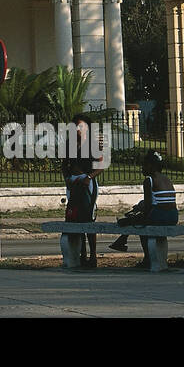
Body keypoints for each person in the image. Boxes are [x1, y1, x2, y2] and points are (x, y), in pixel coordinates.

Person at [109, 150, 178, 266]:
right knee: (137, 220)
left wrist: (137, 213)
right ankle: (122, 240)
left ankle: (147, 258)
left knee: (137, 224)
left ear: (151, 166)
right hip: (173, 215)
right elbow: (157, 201)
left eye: (144, 165)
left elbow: (148, 206)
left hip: (161, 215)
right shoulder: (166, 179)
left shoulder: (149, 180)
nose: (142, 168)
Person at [61, 113, 103, 268]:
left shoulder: (92, 144)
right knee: (75, 217)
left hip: (87, 183)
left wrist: (89, 177)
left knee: (88, 219)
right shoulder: (69, 144)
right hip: (73, 182)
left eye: (81, 126)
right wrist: (67, 179)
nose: (78, 129)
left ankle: (93, 256)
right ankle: (82, 254)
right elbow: (64, 165)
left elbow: (101, 165)